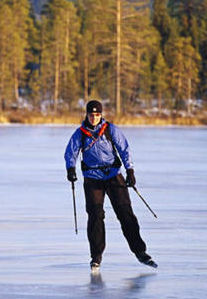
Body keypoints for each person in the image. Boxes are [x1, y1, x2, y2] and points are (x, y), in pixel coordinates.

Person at [64, 99, 157, 273]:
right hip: (92, 178)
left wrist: (130, 171)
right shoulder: (80, 133)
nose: (94, 118)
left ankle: (140, 252)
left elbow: (124, 149)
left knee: (125, 214)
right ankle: (96, 257)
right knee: (95, 216)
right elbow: (71, 152)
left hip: (114, 176)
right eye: (91, 115)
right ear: (87, 115)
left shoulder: (110, 130)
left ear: (101, 114)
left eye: (97, 115)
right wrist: (70, 168)